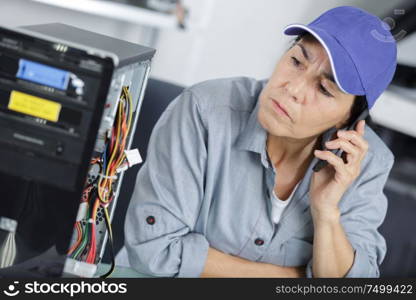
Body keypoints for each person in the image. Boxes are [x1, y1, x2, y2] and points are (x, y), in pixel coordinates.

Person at [120, 6, 397, 277]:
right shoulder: (203, 110)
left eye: (324, 88)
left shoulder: (366, 163)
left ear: (348, 119)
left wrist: (326, 213)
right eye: (296, 61)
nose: (293, 88)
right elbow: (155, 251)